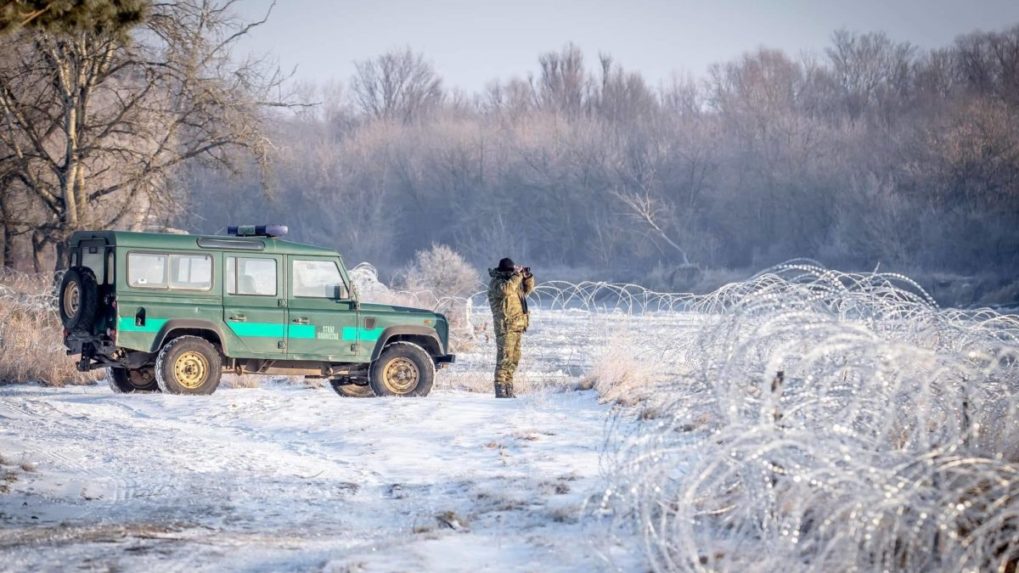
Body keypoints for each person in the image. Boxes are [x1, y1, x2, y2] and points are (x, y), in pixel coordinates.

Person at [487, 257, 535, 398]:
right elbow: (506, 291)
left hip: (517, 326)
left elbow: (528, 289)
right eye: (511, 271)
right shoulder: (497, 283)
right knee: (504, 360)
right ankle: (501, 391)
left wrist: (527, 277)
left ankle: (509, 389)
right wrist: (517, 275)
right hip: (505, 327)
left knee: (514, 360)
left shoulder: (513, 282)